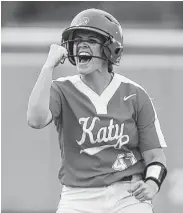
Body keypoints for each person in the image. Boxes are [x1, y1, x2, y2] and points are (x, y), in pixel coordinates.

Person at [27, 8, 167, 213]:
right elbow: (35, 120)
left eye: (91, 39)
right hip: (78, 197)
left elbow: (155, 156)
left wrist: (152, 184)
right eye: (77, 39)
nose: (81, 44)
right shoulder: (61, 89)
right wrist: (48, 66)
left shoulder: (135, 94)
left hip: (128, 195)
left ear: (111, 49)